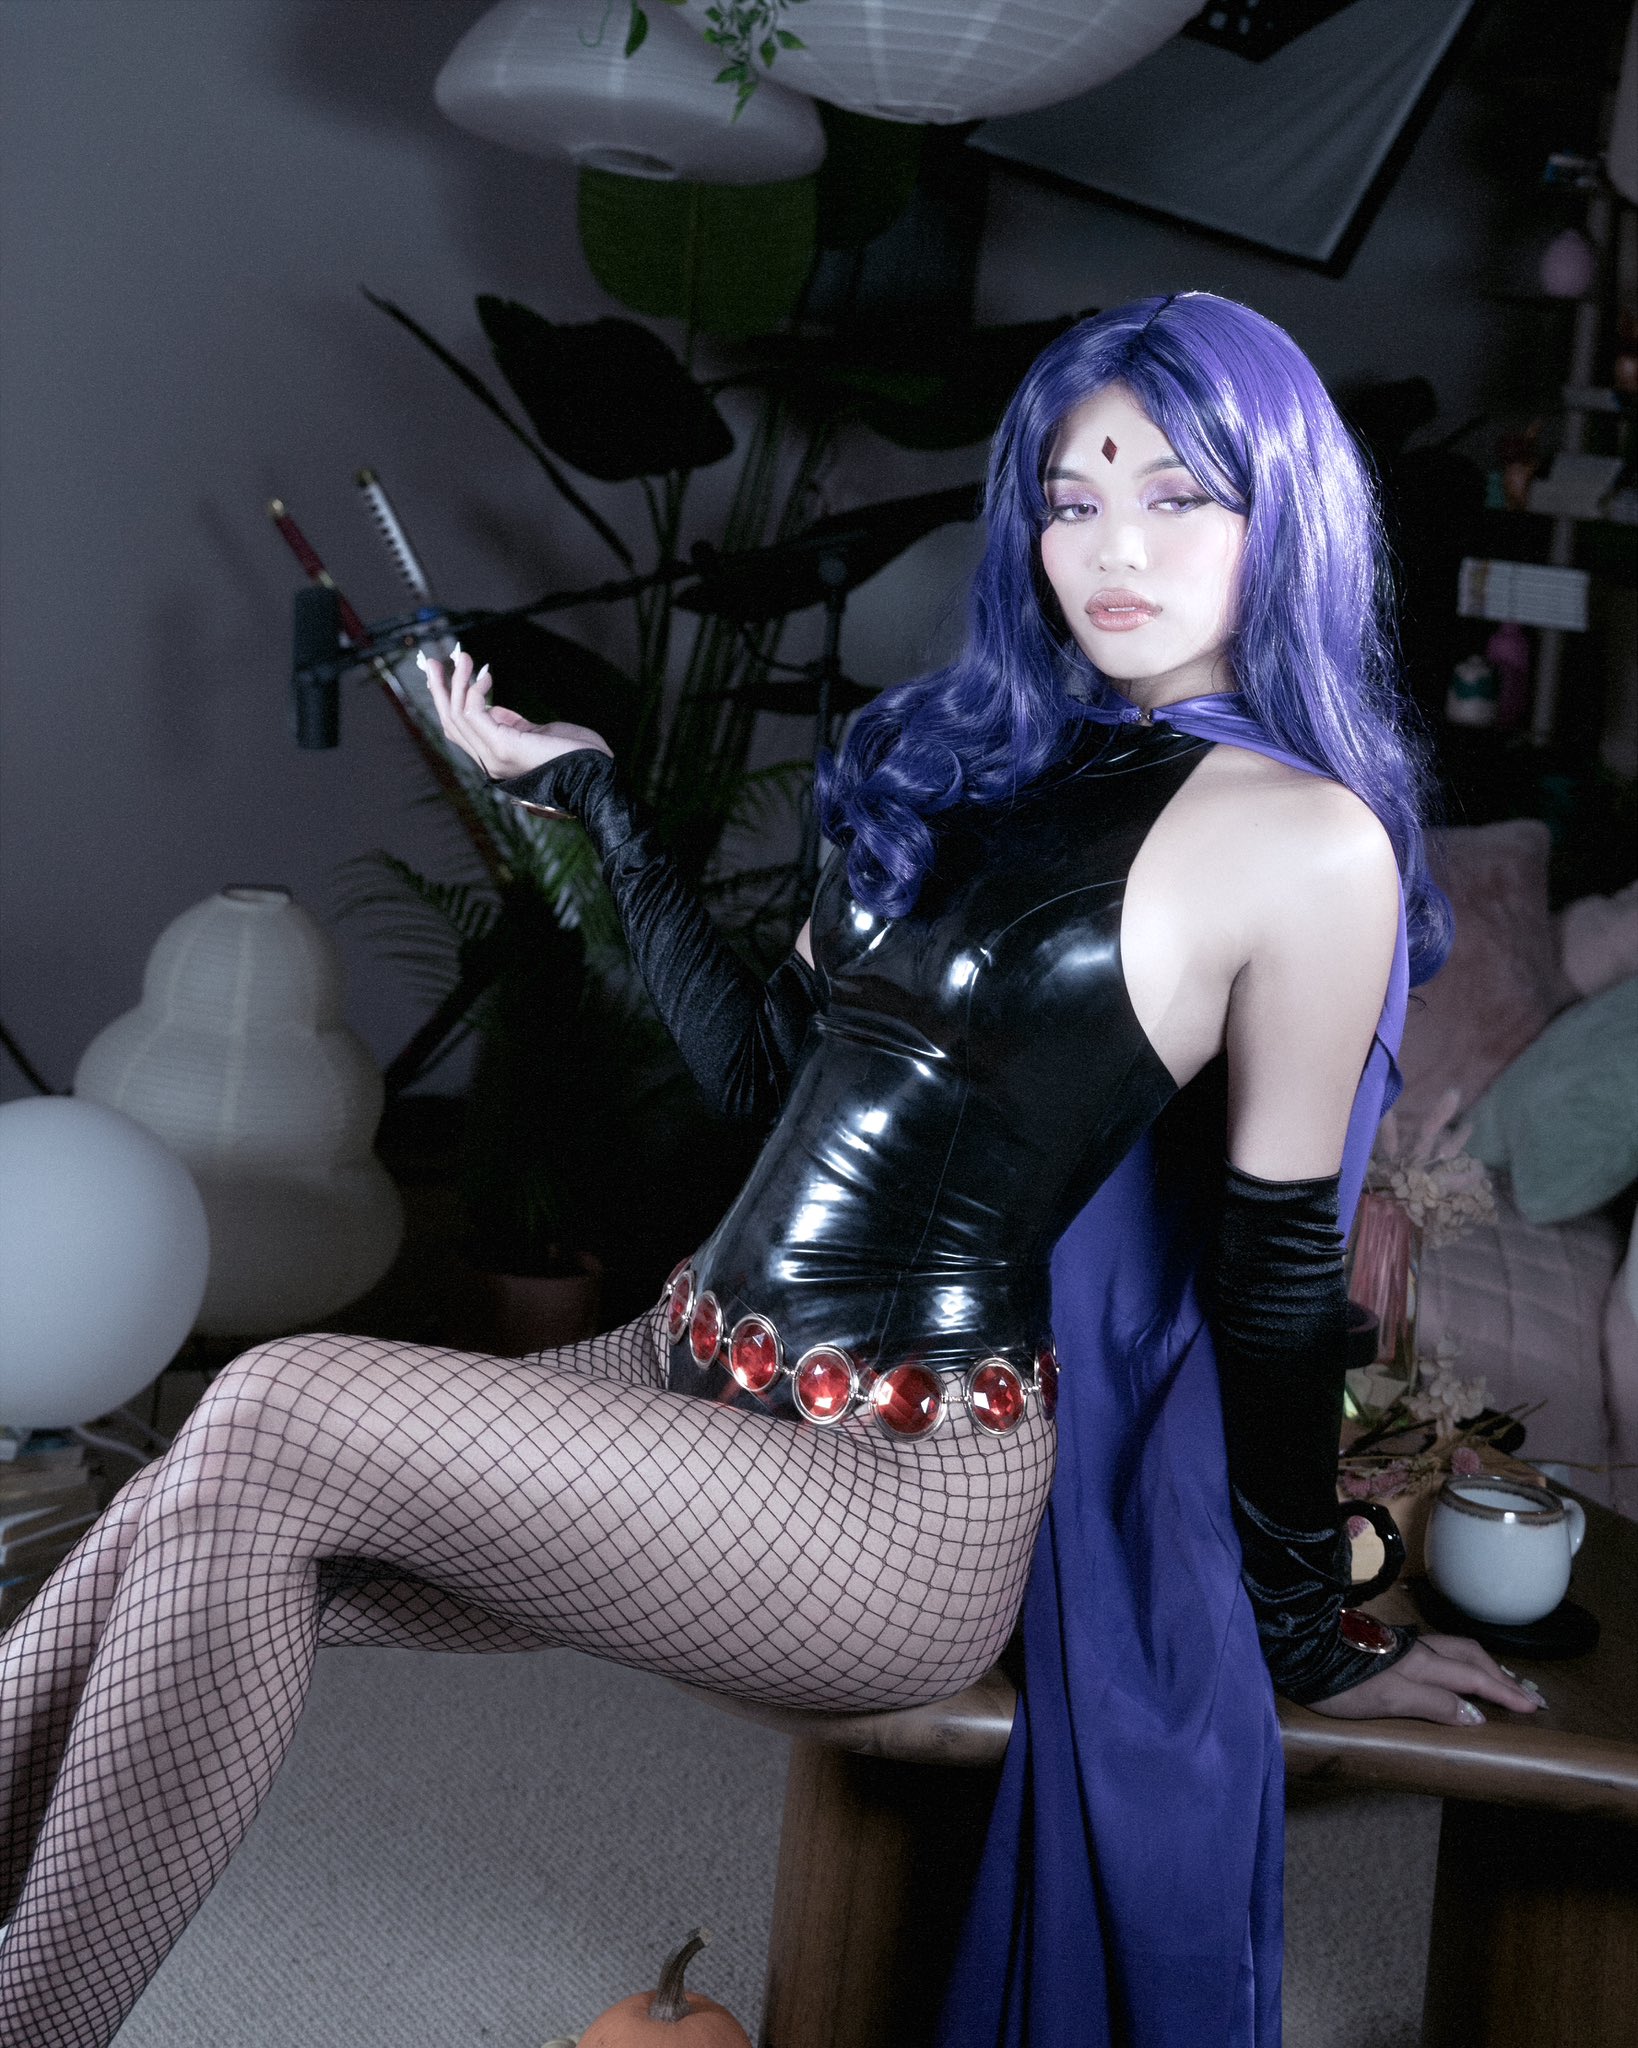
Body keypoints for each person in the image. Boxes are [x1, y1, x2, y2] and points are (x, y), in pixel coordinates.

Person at [0, 293, 1535, 2047]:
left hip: (892, 1494)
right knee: (190, 1515)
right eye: (1069, 499)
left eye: (1177, 495)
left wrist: (1310, 1631)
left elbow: (1272, 1284)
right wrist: (598, 804)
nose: (1112, 549)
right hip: (690, 1367)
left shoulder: (1305, 844)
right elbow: (762, 1083)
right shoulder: (975, 759)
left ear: (1286, 515)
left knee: (270, 1404)